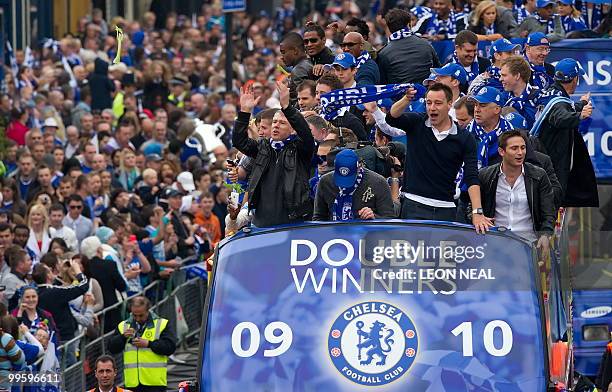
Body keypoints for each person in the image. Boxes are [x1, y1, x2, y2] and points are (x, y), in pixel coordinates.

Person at [386, 83, 492, 232]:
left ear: (450, 104)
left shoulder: (465, 138)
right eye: (429, 103)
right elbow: (391, 117)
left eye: (438, 103)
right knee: (414, 255)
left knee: (442, 255)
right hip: (414, 205)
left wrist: (477, 212)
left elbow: (472, 176)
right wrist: (407, 99)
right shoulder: (417, 123)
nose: (432, 108)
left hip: (446, 209)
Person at [232, 81, 315, 227]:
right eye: (275, 122)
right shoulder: (261, 147)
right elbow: (239, 141)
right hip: (261, 221)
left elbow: (306, 134)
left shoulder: (300, 149)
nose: (276, 125)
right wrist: (245, 112)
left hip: (292, 221)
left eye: (282, 123)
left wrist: (287, 108)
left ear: (293, 130)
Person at [535, 58, 598, 207]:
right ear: (575, 79)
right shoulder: (559, 100)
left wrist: (580, 104)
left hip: (545, 158)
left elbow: (562, 107)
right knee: (552, 203)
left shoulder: (552, 92)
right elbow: (559, 117)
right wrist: (580, 115)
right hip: (554, 163)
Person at [477, 131, 555, 248]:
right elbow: (470, 205)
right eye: (514, 148)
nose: (520, 153)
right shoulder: (486, 175)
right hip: (493, 244)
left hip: (528, 244)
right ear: (501, 151)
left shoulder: (538, 175)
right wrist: (478, 216)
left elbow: (548, 211)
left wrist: (545, 234)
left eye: (523, 148)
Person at [108, 296, 176, 392]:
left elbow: (170, 347)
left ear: (148, 311)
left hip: (155, 383)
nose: (137, 319)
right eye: (134, 315)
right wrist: (123, 337)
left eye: (141, 315)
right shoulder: (123, 326)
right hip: (132, 383)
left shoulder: (162, 324)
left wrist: (149, 344)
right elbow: (112, 348)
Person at [313, 149, 396, 221]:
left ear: (359, 167)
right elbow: (318, 217)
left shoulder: (378, 182)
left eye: (349, 178)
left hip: (367, 235)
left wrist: (374, 217)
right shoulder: (325, 182)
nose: (345, 184)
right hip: (335, 236)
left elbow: (389, 218)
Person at [378, 8, 440, 85]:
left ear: (389, 27)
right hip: (427, 93)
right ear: (409, 24)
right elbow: (437, 70)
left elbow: (382, 82)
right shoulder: (426, 44)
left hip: (399, 95)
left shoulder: (383, 53)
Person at [32, 259, 89, 344]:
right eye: (50, 270)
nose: (52, 271)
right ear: (48, 275)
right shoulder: (55, 292)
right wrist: (78, 271)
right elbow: (83, 286)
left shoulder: (37, 292)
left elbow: (52, 288)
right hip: (64, 337)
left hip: (52, 335)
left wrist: (61, 274)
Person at [466, 86, 514, 169]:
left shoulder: (512, 136)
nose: (477, 109)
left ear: (497, 109)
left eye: (483, 105)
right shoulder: (465, 134)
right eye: (475, 105)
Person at [315, 74, 368, 141]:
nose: (317, 97)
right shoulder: (314, 117)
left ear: (336, 96)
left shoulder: (352, 122)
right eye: (316, 93)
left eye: (323, 93)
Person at [500, 55, 540, 128]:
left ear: (517, 76)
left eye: (504, 75)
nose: (500, 79)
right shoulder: (500, 99)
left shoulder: (540, 98)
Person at [279, 32, 314, 107]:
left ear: (295, 50)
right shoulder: (310, 62)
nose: (281, 57)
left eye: (283, 52)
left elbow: (302, 101)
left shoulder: (298, 70)